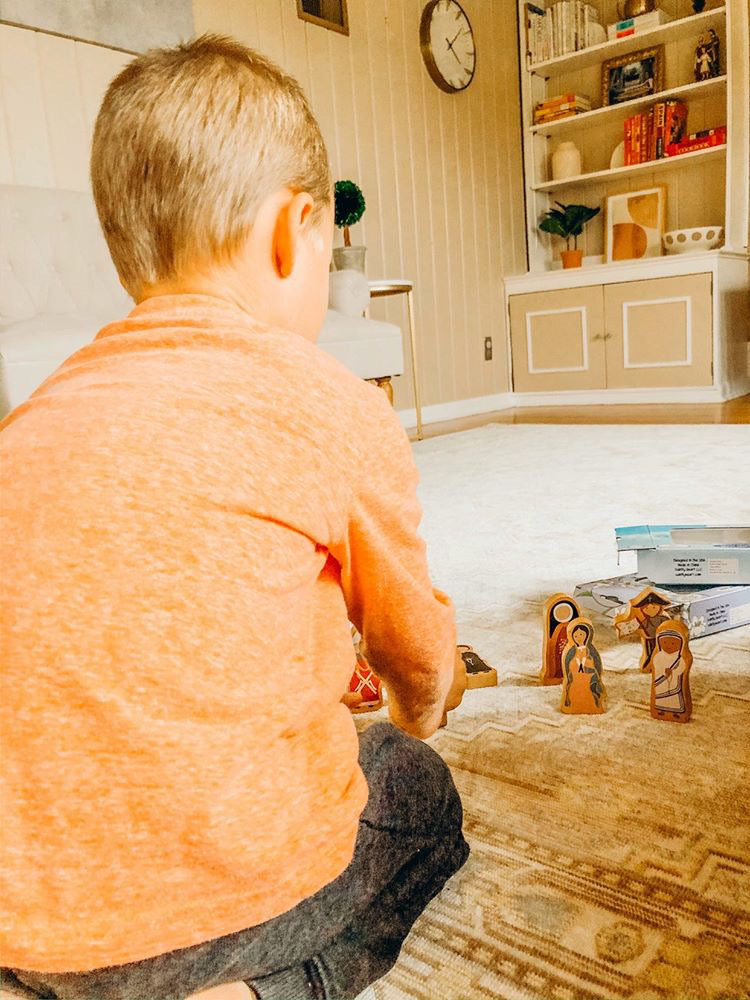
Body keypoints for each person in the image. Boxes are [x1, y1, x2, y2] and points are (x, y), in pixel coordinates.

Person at [0, 35, 469, 1000]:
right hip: (215, 914)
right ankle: (264, 991)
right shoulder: (333, 402)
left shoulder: (30, 420)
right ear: (296, 231)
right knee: (416, 796)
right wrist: (421, 709)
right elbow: (414, 658)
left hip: (29, 919)